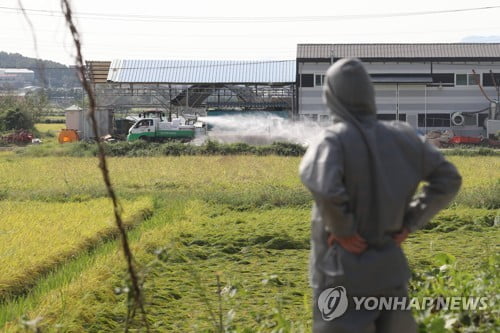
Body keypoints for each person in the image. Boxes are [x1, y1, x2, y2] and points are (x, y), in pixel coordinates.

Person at [299, 58, 462, 333]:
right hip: (389, 266)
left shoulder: (332, 141)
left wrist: (344, 229)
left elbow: (325, 187)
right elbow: (448, 179)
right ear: (368, 94)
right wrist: (411, 220)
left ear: (331, 96)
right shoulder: (405, 137)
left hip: (342, 272)